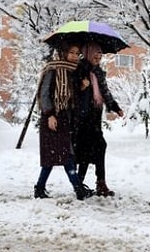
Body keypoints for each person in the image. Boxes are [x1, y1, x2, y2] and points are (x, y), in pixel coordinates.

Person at [33, 42, 93, 200]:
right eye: (72, 52)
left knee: (57, 155)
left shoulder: (72, 72)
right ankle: (78, 189)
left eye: (77, 53)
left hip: (66, 118)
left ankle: (40, 188)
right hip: (52, 118)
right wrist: (50, 114)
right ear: (63, 52)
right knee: (62, 154)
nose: (75, 56)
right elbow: (44, 94)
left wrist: (82, 86)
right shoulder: (52, 69)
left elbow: (71, 96)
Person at [73, 42, 124, 197]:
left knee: (96, 148)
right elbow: (70, 91)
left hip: (94, 117)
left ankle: (95, 183)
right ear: (87, 53)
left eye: (100, 55)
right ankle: (84, 184)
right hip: (81, 118)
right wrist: (81, 86)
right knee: (87, 150)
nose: (98, 57)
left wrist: (115, 107)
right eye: (95, 54)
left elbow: (105, 92)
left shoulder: (99, 72)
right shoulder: (78, 69)